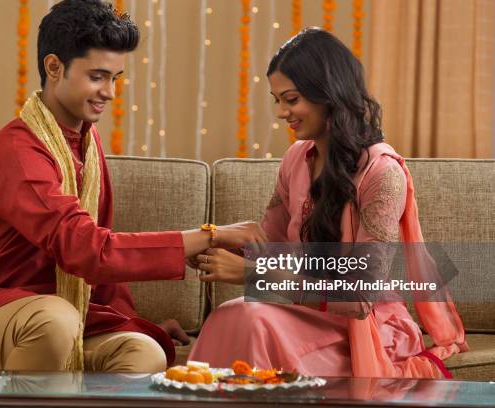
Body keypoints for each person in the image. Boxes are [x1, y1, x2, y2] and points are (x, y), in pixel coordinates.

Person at [0, 0, 267, 374]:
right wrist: (209, 235)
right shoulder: (19, 151)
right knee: (55, 321)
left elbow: (95, 257)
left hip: (69, 313)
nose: (110, 93)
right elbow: (86, 249)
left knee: (143, 352)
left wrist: (131, 321)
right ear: (54, 67)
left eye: (115, 78)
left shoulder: (87, 142)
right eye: (97, 76)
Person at [189, 27, 467, 378]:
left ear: (328, 94)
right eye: (277, 100)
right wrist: (214, 241)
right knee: (232, 313)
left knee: (252, 317)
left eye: (291, 100)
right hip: (309, 320)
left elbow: (360, 297)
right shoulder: (296, 158)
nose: (281, 113)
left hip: (365, 331)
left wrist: (254, 275)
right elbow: (270, 247)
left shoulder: (382, 174)